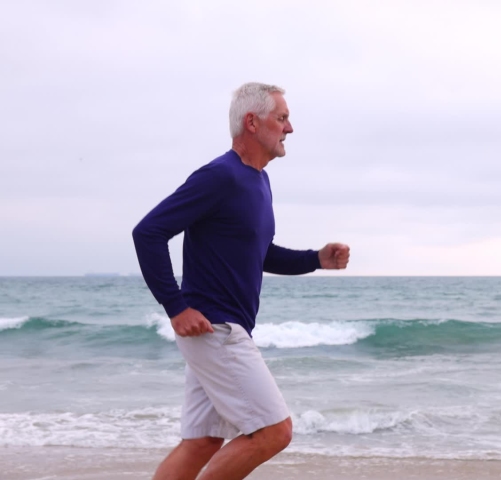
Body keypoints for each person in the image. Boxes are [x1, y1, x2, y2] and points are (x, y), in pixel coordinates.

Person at [132, 82, 350, 480]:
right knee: (274, 431)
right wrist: (175, 307)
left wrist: (315, 260)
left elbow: (258, 252)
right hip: (216, 327)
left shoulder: (258, 182)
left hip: (219, 328)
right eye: (281, 118)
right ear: (252, 122)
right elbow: (148, 232)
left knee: (202, 442)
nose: (290, 128)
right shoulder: (220, 176)